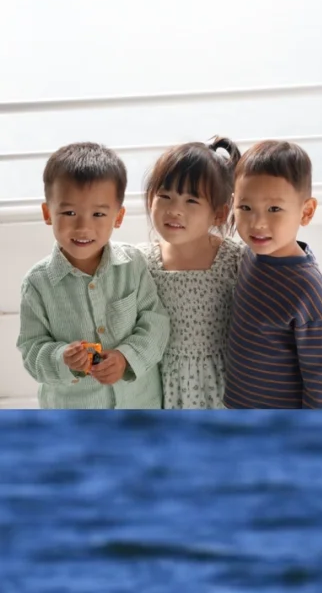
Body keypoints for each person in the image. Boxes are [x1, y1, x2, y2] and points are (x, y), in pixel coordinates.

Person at [17, 142, 169, 408]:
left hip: (139, 406)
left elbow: (155, 323)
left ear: (118, 217)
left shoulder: (133, 264)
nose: (83, 226)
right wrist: (62, 358)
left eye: (98, 214)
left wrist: (125, 358)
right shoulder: (37, 284)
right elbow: (32, 350)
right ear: (47, 213)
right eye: (69, 212)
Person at [223, 140, 322, 408]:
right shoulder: (249, 256)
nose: (257, 223)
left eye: (274, 209)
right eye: (245, 208)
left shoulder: (308, 290)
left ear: (306, 211)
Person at [137, 136, 246, 408]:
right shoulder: (141, 263)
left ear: (220, 214)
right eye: (165, 196)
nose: (175, 210)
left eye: (191, 201)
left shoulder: (235, 260)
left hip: (223, 385)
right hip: (161, 385)